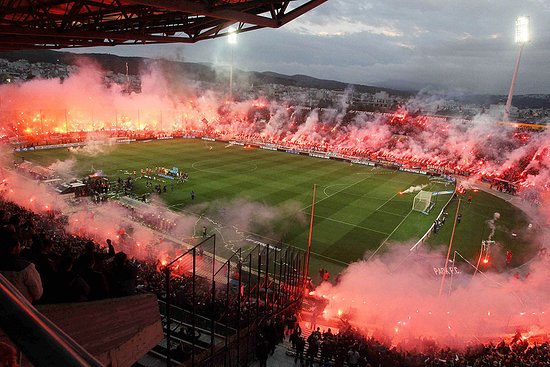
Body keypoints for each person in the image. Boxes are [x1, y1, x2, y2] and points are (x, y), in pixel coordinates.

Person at [0, 229, 43, 303]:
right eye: (19, 246)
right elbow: (37, 294)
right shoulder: (26, 268)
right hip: (21, 309)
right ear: (14, 248)